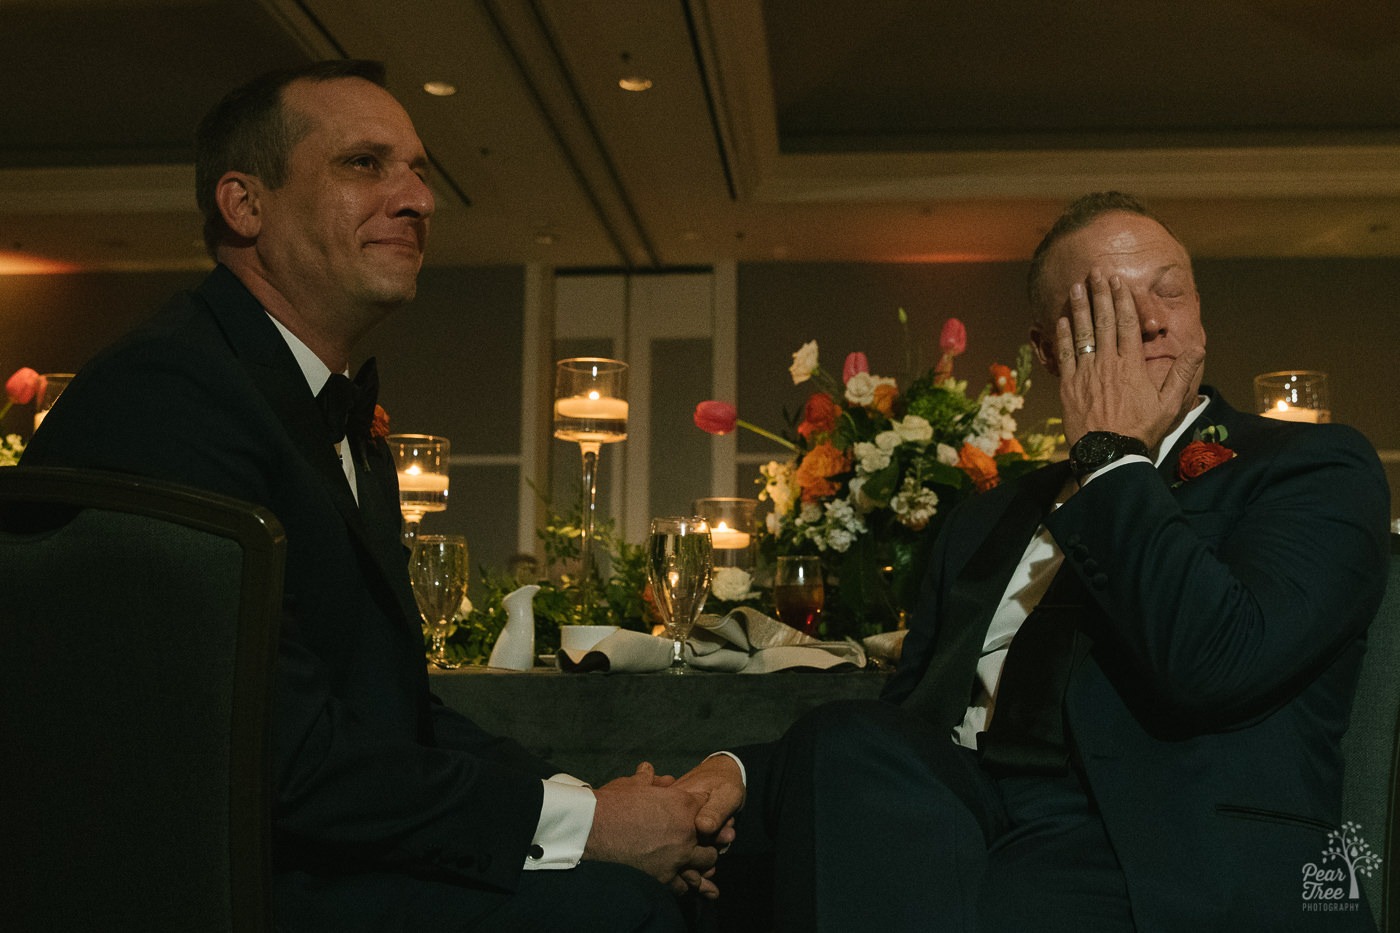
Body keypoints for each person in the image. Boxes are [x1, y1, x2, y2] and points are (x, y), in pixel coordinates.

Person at [22, 60, 724, 931]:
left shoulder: (327, 411)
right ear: (245, 206)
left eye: (419, 171)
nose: (419, 200)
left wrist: (584, 798)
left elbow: (387, 714)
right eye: (364, 164)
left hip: (310, 846)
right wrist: (594, 826)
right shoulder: (171, 393)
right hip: (214, 887)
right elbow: (279, 754)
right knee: (621, 911)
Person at [678, 192, 1390, 931]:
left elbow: (1213, 661)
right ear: (1049, 348)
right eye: (1105, 306)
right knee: (833, 752)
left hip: (1152, 843)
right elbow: (902, 733)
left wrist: (1114, 458)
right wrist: (738, 773)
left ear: (1198, 314)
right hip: (957, 815)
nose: (1148, 318)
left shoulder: (1308, 467)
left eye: (1169, 290)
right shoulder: (984, 518)